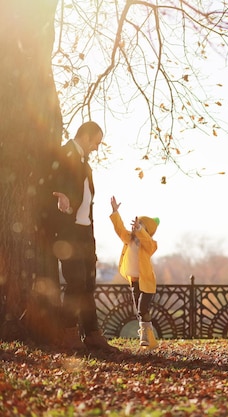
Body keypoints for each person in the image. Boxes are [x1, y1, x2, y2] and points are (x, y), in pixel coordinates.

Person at [52, 121, 119, 352]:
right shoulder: (63, 153)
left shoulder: (85, 164)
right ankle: (68, 334)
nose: (97, 148)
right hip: (67, 232)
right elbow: (48, 182)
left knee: (89, 284)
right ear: (86, 136)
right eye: (96, 142)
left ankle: (92, 335)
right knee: (76, 282)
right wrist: (59, 195)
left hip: (85, 232)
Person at [109, 195, 160, 349]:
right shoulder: (128, 239)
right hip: (134, 281)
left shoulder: (149, 245)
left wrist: (139, 229)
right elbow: (119, 229)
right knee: (140, 312)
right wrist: (115, 212)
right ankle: (149, 338)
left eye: (140, 225)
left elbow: (148, 242)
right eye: (136, 224)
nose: (136, 226)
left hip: (147, 283)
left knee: (142, 308)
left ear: (147, 230)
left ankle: (145, 335)